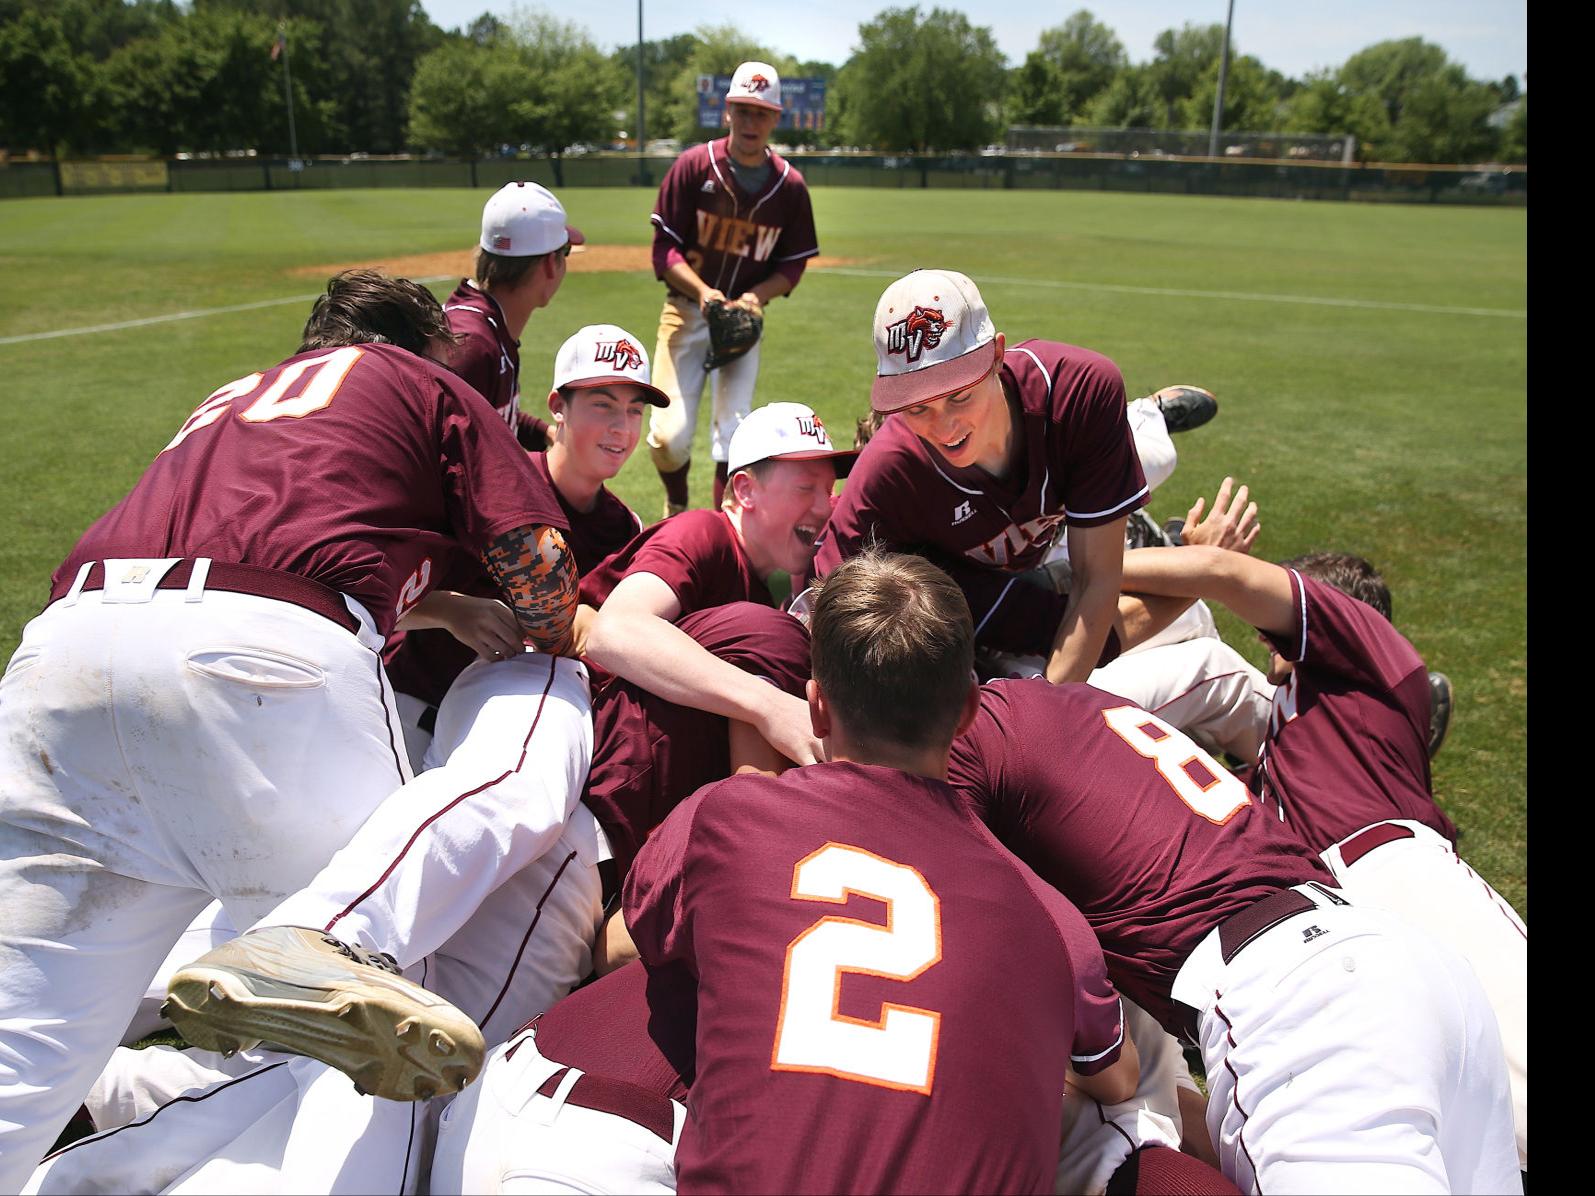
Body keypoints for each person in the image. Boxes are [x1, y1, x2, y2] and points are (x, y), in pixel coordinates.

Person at [0, 270, 578, 1191]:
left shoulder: (231, 397)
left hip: (61, 663)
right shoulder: (420, 379)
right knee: (378, 1017)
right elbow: (534, 560)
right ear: (415, 347)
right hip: (260, 673)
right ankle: (318, 942)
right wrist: (553, 633)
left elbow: (248, 550)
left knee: (18, 1054)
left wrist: (443, 610)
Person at [624, 550, 1139, 1193]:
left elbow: (623, 940)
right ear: (970, 712)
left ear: (816, 707)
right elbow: (1118, 1079)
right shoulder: (1053, 919)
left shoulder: (728, 816)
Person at [946, 675, 1521, 1193]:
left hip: (1294, 999)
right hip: (1396, 956)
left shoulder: (952, 753)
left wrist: (1103, 1067)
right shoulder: (1063, 698)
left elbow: (1037, 946)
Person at [1117, 543, 1528, 1171]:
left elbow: (1226, 574)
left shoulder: (1372, 653)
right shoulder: (1278, 739)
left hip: (1393, 871)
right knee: (1449, 1151)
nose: (1265, 636)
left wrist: (1085, 567)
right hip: (1321, 942)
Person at [812, 268, 1185, 685]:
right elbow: (826, 605)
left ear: (996, 355)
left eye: (960, 395)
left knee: (1155, 458)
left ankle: (1149, 418)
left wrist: (1051, 717)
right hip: (1026, 543)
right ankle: (1131, 517)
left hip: (1059, 500)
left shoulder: (1077, 390)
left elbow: (1096, 578)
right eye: (917, 408)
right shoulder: (890, 470)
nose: (945, 426)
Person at [386, 322, 652, 770]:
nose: (620, 428)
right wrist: (452, 610)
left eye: (634, 411)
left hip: (522, 736)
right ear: (557, 408)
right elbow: (370, 590)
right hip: (412, 708)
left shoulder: (625, 526)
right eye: (602, 406)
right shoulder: (485, 487)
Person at [583, 400, 853, 766]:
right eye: (806, 488)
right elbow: (613, 630)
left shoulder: (772, 577)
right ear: (745, 491)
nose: (824, 507)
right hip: (579, 737)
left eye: (828, 490)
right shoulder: (703, 532)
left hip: (638, 750)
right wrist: (769, 706)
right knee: (768, 633)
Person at [646, 61, 819, 516]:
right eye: (742, 110)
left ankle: (722, 526)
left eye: (760, 113)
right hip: (685, 313)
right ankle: (678, 504)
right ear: (726, 112)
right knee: (669, 437)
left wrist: (755, 298)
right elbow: (664, 251)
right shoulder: (693, 166)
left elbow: (793, 264)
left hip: (744, 323)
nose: (750, 122)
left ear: (776, 118)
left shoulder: (790, 187)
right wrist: (703, 292)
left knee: (734, 430)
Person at [442, 180, 583, 451]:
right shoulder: (470, 347)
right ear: (549, 265)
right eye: (564, 253)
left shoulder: (486, 325)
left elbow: (487, 418)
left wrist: (545, 434)